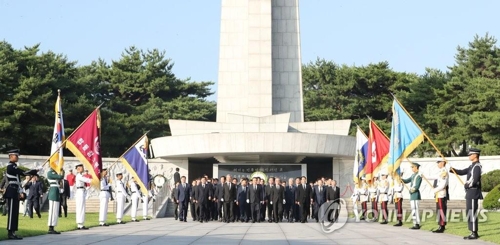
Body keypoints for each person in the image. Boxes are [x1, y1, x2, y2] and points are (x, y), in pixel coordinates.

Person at [450, 148, 483, 240]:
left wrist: (467, 185)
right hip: (470, 192)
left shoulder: (477, 166)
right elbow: (461, 172)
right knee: (469, 212)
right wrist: (452, 169)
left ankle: (474, 232)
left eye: (470, 154)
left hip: (473, 191)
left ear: (475, 155)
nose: (469, 156)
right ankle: (471, 231)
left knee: (472, 212)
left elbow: (475, 179)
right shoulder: (471, 166)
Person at [4, 149, 37, 239]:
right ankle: (10, 232)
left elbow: (18, 181)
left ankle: (13, 232)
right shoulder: (10, 166)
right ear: (11, 156)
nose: (17, 157)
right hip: (10, 191)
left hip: (15, 191)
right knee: (11, 213)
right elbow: (21, 172)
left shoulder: (14, 166)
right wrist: (32, 171)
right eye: (16, 155)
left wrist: (20, 191)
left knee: (15, 213)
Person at [426, 158, 449, 233]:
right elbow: (435, 177)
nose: (437, 164)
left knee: (441, 209)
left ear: (442, 162)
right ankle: (440, 225)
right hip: (438, 194)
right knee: (439, 209)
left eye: (439, 162)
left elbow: (442, 185)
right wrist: (424, 176)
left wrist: (434, 190)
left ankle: (442, 226)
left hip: (441, 193)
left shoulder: (444, 172)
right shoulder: (441, 171)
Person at [402, 162, 422, 230]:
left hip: (415, 194)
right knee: (413, 210)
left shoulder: (418, 176)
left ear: (416, 167)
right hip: (412, 195)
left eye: (413, 167)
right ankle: (414, 223)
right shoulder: (413, 175)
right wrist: (401, 179)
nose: (412, 168)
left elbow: (416, 186)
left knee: (415, 209)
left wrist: (411, 190)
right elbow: (407, 180)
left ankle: (417, 223)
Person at [75, 164, 91, 229]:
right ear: (78, 169)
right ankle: (80, 224)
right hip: (80, 191)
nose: (83, 168)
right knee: (80, 208)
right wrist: (94, 180)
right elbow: (86, 180)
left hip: (82, 190)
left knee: (82, 208)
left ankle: (80, 223)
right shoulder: (79, 176)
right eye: (82, 167)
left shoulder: (81, 175)